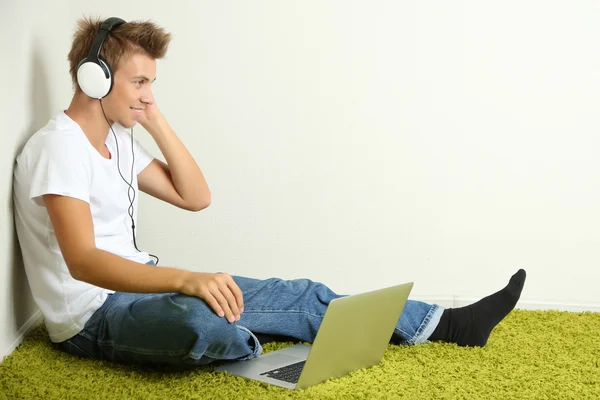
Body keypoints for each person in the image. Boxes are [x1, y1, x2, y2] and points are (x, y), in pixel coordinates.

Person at [13, 17, 527, 368]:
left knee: (297, 292)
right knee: (198, 315)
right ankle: (256, 349)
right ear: (94, 80)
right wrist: (187, 280)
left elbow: (195, 196)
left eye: (152, 83)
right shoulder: (58, 148)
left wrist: (154, 119)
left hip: (141, 286)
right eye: (139, 82)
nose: (149, 94)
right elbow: (82, 262)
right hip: (91, 318)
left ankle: (450, 325)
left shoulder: (119, 141)